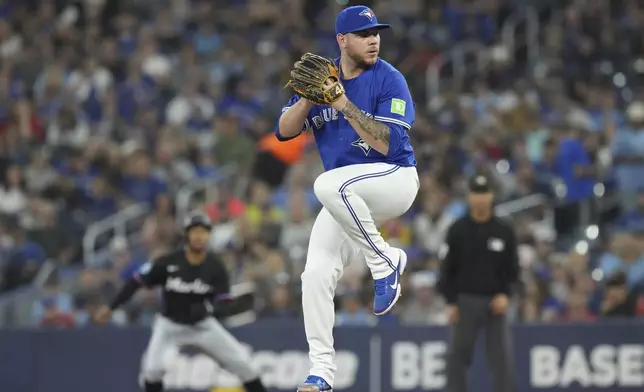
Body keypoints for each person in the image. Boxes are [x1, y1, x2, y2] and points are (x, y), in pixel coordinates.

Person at [275, 5, 419, 392]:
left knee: (326, 185)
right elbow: (284, 131)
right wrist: (308, 97)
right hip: (348, 198)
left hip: (395, 180)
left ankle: (384, 260)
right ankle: (321, 372)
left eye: (377, 33)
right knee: (315, 274)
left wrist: (342, 103)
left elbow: (387, 143)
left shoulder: (389, 79)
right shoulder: (324, 79)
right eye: (363, 34)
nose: (374, 40)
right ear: (342, 40)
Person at [94, 212, 267, 392]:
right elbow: (136, 282)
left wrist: (209, 308)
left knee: (246, 367)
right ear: (187, 235)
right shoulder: (168, 262)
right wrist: (111, 306)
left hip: (203, 326)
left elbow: (224, 299)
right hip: (170, 325)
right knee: (152, 371)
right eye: (195, 231)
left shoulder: (215, 266)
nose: (199, 236)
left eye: (203, 232)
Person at [437, 174, 519, 392]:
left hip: (496, 303)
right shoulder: (457, 230)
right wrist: (451, 302)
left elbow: (513, 269)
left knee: (502, 361)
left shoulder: (504, 230)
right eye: (476, 193)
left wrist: (505, 294)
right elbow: (447, 269)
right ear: (469, 197)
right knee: (457, 359)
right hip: (465, 302)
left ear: (491, 195)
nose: (481, 198)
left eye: (484, 193)